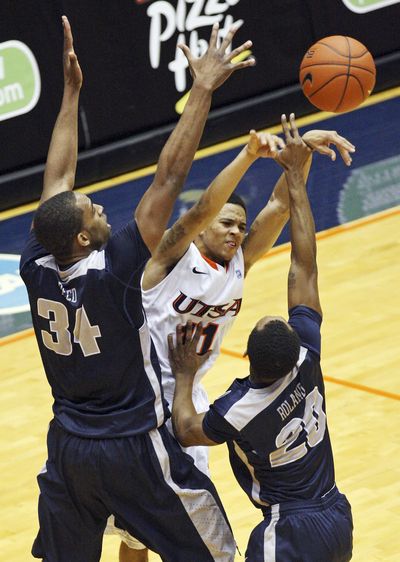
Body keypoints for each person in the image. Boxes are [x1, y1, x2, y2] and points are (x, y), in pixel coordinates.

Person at [20, 15, 257, 562]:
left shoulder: (37, 262)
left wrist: (71, 94)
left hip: (70, 449)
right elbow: (169, 178)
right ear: (83, 237)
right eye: (93, 211)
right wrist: (201, 89)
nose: (101, 207)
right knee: (219, 554)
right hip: (133, 447)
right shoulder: (116, 270)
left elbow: (56, 182)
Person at [113, 122, 355, 560]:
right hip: (139, 395)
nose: (235, 232)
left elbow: (282, 204)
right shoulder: (170, 259)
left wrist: (301, 155)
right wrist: (248, 156)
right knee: (139, 521)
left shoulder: (239, 263)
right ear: (205, 227)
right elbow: (200, 209)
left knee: (150, 530)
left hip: (187, 400)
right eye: (226, 222)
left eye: (241, 226)